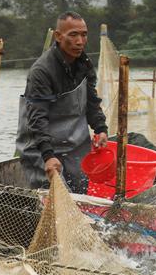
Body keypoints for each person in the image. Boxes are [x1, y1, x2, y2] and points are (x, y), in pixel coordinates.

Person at [16, 11, 108, 193]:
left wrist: (100, 128)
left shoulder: (85, 64)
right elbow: (37, 119)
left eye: (84, 34)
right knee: (55, 200)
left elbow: (91, 100)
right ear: (58, 36)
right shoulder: (42, 71)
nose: (80, 41)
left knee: (80, 195)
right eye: (73, 35)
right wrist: (48, 156)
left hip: (75, 146)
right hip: (41, 146)